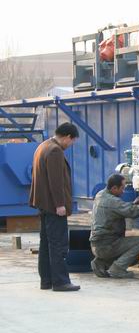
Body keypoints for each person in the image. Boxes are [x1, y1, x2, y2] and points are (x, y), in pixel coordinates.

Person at [29, 122, 80, 292]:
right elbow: (56, 181)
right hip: (53, 206)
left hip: (43, 204)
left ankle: (46, 280)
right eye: (72, 141)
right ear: (67, 137)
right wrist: (60, 204)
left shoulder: (43, 146)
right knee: (58, 244)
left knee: (46, 243)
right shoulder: (55, 151)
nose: (70, 145)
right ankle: (60, 282)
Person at [89, 174, 139, 278]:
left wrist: (134, 204)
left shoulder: (100, 194)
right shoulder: (112, 201)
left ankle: (100, 263)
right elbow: (132, 212)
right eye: (122, 188)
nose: (123, 191)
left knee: (134, 258)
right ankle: (117, 269)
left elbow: (119, 208)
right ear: (114, 188)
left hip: (97, 245)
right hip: (107, 244)